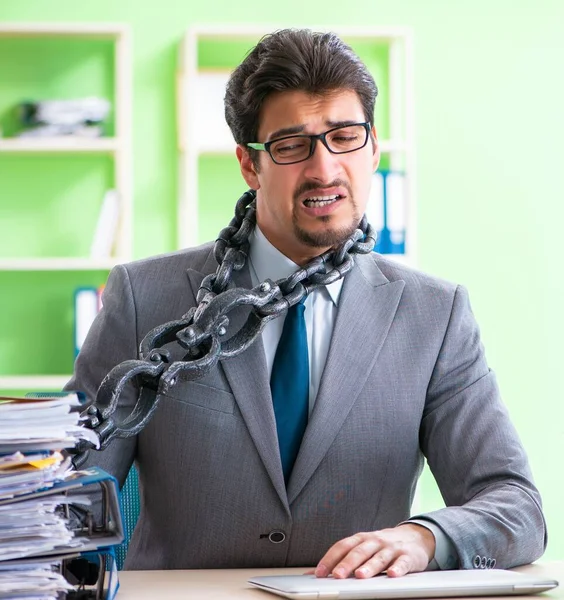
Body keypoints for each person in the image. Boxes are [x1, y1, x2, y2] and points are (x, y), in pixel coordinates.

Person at [66, 28, 546, 576]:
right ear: (250, 165)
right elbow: (66, 498)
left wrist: (425, 539)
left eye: (345, 136)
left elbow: (516, 508)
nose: (324, 169)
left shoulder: (435, 317)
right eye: (292, 145)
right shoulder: (143, 298)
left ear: (373, 148)